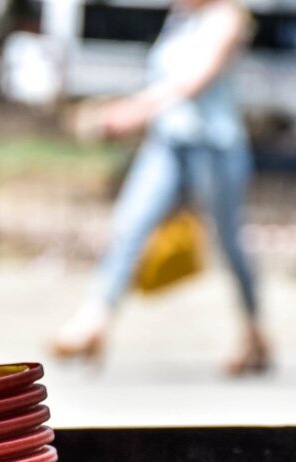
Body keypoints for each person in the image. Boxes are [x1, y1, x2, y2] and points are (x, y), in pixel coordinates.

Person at [51, 0, 271, 375]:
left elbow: (192, 82)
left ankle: (254, 332)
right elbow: (160, 79)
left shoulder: (227, 18)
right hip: (168, 141)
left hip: (214, 148)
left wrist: (131, 113)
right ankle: (95, 321)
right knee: (129, 225)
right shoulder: (180, 21)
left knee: (229, 243)